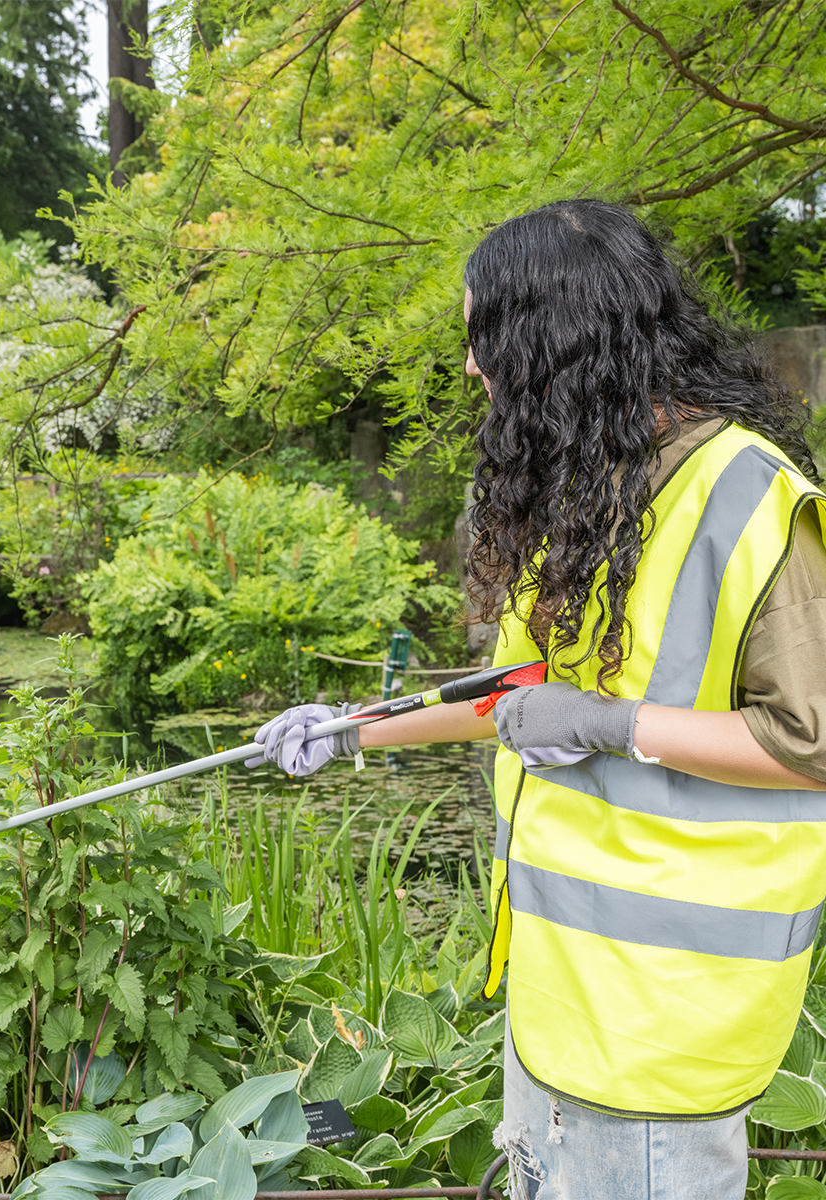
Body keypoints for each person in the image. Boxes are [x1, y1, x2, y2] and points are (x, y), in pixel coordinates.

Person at [247, 199, 826, 1199]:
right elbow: (511, 692)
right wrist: (350, 732)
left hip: (663, 1021)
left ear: (553, 337)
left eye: (483, 336)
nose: (473, 365)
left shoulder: (748, 492)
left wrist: (608, 725)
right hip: (564, 1004)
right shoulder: (596, 490)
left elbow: (809, 738)